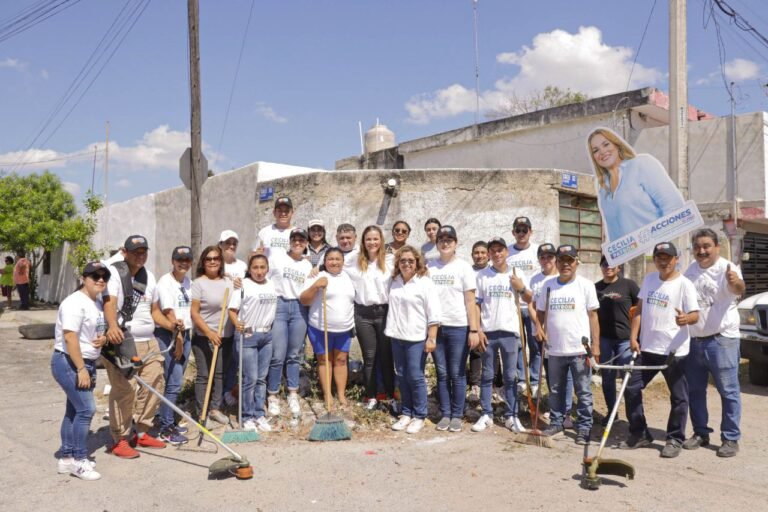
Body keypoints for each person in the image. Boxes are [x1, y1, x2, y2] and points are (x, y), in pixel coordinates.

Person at [620, 242, 699, 459]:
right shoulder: (649, 279)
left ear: (676, 259)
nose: (663, 262)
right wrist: (633, 337)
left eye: (668, 258)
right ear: (654, 260)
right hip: (647, 348)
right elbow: (638, 311)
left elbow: (695, 315)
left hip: (674, 351)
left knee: (678, 397)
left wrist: (685, 319)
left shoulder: (685, 284)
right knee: (631, 388)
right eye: (659, 258)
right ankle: (640, 432)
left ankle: (674, 438)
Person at [103, 235, 168, 458]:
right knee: (125, 389)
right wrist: (112, 326)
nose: (141, 255)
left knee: (155, 382)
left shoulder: (148, 277)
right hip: (122, 340)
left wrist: (172, 325)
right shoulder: (114, 273)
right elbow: (109, 303)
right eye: (136, 251)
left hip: (149, 341)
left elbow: (155, 311)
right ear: (126, 252)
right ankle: (120, 439)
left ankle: (141, 431)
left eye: (144, 251)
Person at [683, 229, 745, 458]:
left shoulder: (728, 268)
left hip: (722, 340)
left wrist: (736, 282)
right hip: (694, 341)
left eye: (706, 246)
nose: (702, 251)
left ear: (717, 247)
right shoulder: (690, 271)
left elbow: (739, 290)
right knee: (695, 391)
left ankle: (730, 438)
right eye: (697, 246)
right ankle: (700, 433)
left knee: (728, 391)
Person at [52, 261, 109, 481]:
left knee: (74, 410)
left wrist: (103, 338)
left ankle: (66, 458)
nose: (100, 280)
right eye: (95, 276)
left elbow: (93, 332)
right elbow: (69, 337)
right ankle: (78, 460)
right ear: (84, 278)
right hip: (70, 361)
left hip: (84, 361)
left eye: (104, 276)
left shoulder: (95, 303)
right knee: (86, 410)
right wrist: (81, 369)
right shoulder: (75, 303)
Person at [537, 245, 600, 445]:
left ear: (576, 263)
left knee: (583, 391)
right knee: (555, 389)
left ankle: (583, 427)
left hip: (580, 349)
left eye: (570, 260)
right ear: (556, 262)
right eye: (561, 260)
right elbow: (539, 312)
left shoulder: (586, 285)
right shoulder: (548, 285)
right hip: (555, 349)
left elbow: (593, 316)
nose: (565, 264)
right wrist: (539, 328)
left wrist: (595, 345)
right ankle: (556, 423)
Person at [472, 237, 530, 433]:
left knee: (510, 376)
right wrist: (478, 329)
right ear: (489, 254)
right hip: (488, 332)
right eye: (493, 251)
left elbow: (529, 298)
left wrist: (520, 287)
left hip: (510, 331)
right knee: (487, 375)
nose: (497, 254)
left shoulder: (516, 273)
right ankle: (486, 413)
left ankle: (511, 416)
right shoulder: (482, 276)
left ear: (506, 252)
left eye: (500, 250)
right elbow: (477, 305)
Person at [588, 127, 685, 241]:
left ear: (617, 145)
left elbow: (675, 207)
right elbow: (614, 234)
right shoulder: (603, 190)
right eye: (595, 150)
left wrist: (658, 245)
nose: (602, 152)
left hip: (656, 253)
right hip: (629, 257)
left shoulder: (641, 164)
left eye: (606, 144)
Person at [428, 225, 480, 432]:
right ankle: (446, 413)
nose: (445, 242)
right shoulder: (429, 267)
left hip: (459, 326)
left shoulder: (464, 267)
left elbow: (470, 300)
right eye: (441, 239)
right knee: (441, 373)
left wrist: (474, 330)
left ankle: (457, 414)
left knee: (457, 373)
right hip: (436, 327)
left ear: (456, 243)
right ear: (436, 242)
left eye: (449, 239)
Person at [385, 246, 441, 434]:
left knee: (416, 376)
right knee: (401, 375)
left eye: (410, 260)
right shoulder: (393, 281)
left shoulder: (425, 283)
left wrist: (431, 338)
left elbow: (434, 314)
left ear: (417, 262)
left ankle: (419, 415)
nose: (406, 264)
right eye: (403, 260)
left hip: (416, 337)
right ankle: (406, 413)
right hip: (397, 336)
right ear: (397, 263)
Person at [346, 225, 394, 410]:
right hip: (363, 314)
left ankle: (390, 395)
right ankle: (371, 396)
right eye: (368, 239)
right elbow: (333, 264)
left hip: (384, 312)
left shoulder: (390, 260)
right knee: (370, 357)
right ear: (363, 242)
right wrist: (316, 269)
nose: (372, 242)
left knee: (386, 356)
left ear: (381, 240)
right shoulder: (354, 260)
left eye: (375, 239)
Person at [301, 248, 356, 407]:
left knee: (341, 360)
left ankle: (340, 394)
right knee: (325, 361)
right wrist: (315, 286)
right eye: (330, 259)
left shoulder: (348, 276)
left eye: (338, 259)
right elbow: (304, 300)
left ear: (343, 261)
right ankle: (327, 395)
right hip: (320, 328)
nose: (334, 262)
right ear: (324, 261)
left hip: (344, 328)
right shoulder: (317, 276)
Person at [228, 254, 277, 432]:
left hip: (266, 335)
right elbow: (232, 311)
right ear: (249, 269)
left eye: (262, 267)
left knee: (262, 378)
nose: (259, 271)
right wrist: (236, 323)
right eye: (255, 267)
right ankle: (247, 416)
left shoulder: (272, 284)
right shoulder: (242, 286)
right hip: (247, 335)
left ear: (267, 268)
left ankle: (259, 414)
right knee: (250, 378)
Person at [267, 228, 312, 417]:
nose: (297, 242)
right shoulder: (277, 258)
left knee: (294, 354)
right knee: (278, 354)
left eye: (301, 240)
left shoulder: (307, 266)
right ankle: (273, 395)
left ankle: (292, 392)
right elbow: (264, 279)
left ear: (306, 243)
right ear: (289, 241)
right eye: (294, 239)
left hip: (300, 307)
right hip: (279, 305)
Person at [528, 243, 574, 428]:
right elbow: (532, 305)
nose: (546, 260)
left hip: (561, 335)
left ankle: (567, 412)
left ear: (555, 259)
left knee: (567, 375)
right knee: (551, 373)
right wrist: (539, 326)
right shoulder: (535, 280)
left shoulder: (562, 277)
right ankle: (556, 410)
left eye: (549, 257)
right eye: (542, 257)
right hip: (542, 335)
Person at [190, 245, 234, 426]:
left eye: (216, 258)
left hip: (226, 335)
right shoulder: (198, 283)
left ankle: (215, 409)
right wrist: (209, 333)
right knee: (204, 375)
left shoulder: (228, 282)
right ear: (203, 262)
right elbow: (194, 313)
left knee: (220, 374)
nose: (213, 261)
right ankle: (201, 413)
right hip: (203, 336)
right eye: (209, 259)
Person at [153, 246, 194, 445]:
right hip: (170, 334)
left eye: (187, 260)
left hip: (185, 334)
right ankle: (166, 429)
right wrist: (177, 340)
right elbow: (170, 314)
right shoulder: (165, 282)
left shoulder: (188, 282)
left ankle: (165, 418)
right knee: (174, 382)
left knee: (174, 381)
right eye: (180, 259)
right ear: (172, 261)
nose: (183, 263)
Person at [595, 255, 639, 425]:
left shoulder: (629, 285)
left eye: (613, 264)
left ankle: (633, 418)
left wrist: (637, 336)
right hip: (604, 340)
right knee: (607, 378)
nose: (608, 267)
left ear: (619, 267)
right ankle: (612, 412)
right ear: (601, 267)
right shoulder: (596, 288)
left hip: (625, 341)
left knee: (628, 378)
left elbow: (640, 310)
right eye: (605, 264)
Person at [506, 217, 540, 396]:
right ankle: (521, 379)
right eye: (518, 230)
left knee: (535, 345)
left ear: (530, 232)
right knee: (519, 345)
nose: (521, 234)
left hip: (532, 304)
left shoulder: (537, 251)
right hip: (514, 306)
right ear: (513, 233)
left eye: (524, 230)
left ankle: (534, 380)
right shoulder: (508, 252)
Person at [468, 241, 490, 401]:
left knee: (490, 350)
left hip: (489, 315)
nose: (480, 255)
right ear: (472, 255)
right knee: (475, 350)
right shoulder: (467, 271)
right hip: (471, 314)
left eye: (483, 252)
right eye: (476, 252)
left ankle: (496, 384)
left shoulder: (492, 272)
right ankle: (475, 384)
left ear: (488, 255)